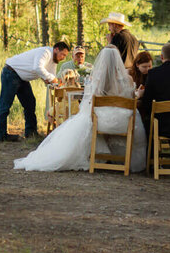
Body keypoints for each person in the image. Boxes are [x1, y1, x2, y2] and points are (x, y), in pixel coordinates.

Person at [14, 46, 148, 172]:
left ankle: (97, 155)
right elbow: (131, 99)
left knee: (84, 120)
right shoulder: (128, 79)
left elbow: (88, 102)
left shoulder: (96, 80)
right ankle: (121, 159)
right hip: (123, 122)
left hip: (100, 122)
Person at [0, 40, 69, 141]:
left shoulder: (54, 61)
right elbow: (37, 68)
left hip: (22, 78)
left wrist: (55, 83)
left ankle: (31, 132)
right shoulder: (45, 52)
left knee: (30, 103)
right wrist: (51, 79)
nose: (63, 58)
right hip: (11, 73)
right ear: (56, 49)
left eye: (65, 56)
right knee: (5, 104)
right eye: (62, 55)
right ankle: (1, 135)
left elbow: (51, 76)